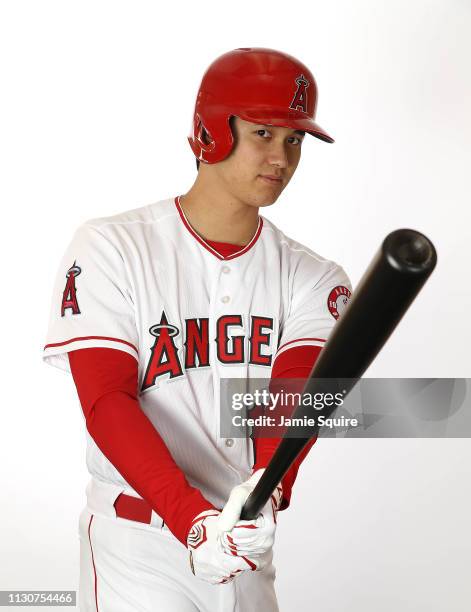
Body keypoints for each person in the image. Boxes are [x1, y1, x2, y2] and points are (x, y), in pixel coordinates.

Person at [43, 47, 352, 612]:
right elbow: (107, 400)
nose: (282, 156)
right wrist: (191, 521)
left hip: (243, 545)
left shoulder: (314, 276)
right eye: (263, 132)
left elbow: (298, 396)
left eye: (295, 139)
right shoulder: (113, 246)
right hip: (138, 545)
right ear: (213, 130)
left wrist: (266, 489)